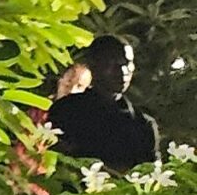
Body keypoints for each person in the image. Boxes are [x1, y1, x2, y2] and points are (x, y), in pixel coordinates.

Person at [45, 35, 159, 173]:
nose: (123, 72)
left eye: (127, 63)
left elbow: (150, 176)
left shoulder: (142, 125)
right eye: (114, 64)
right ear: (94, 65)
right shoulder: (66, 111)